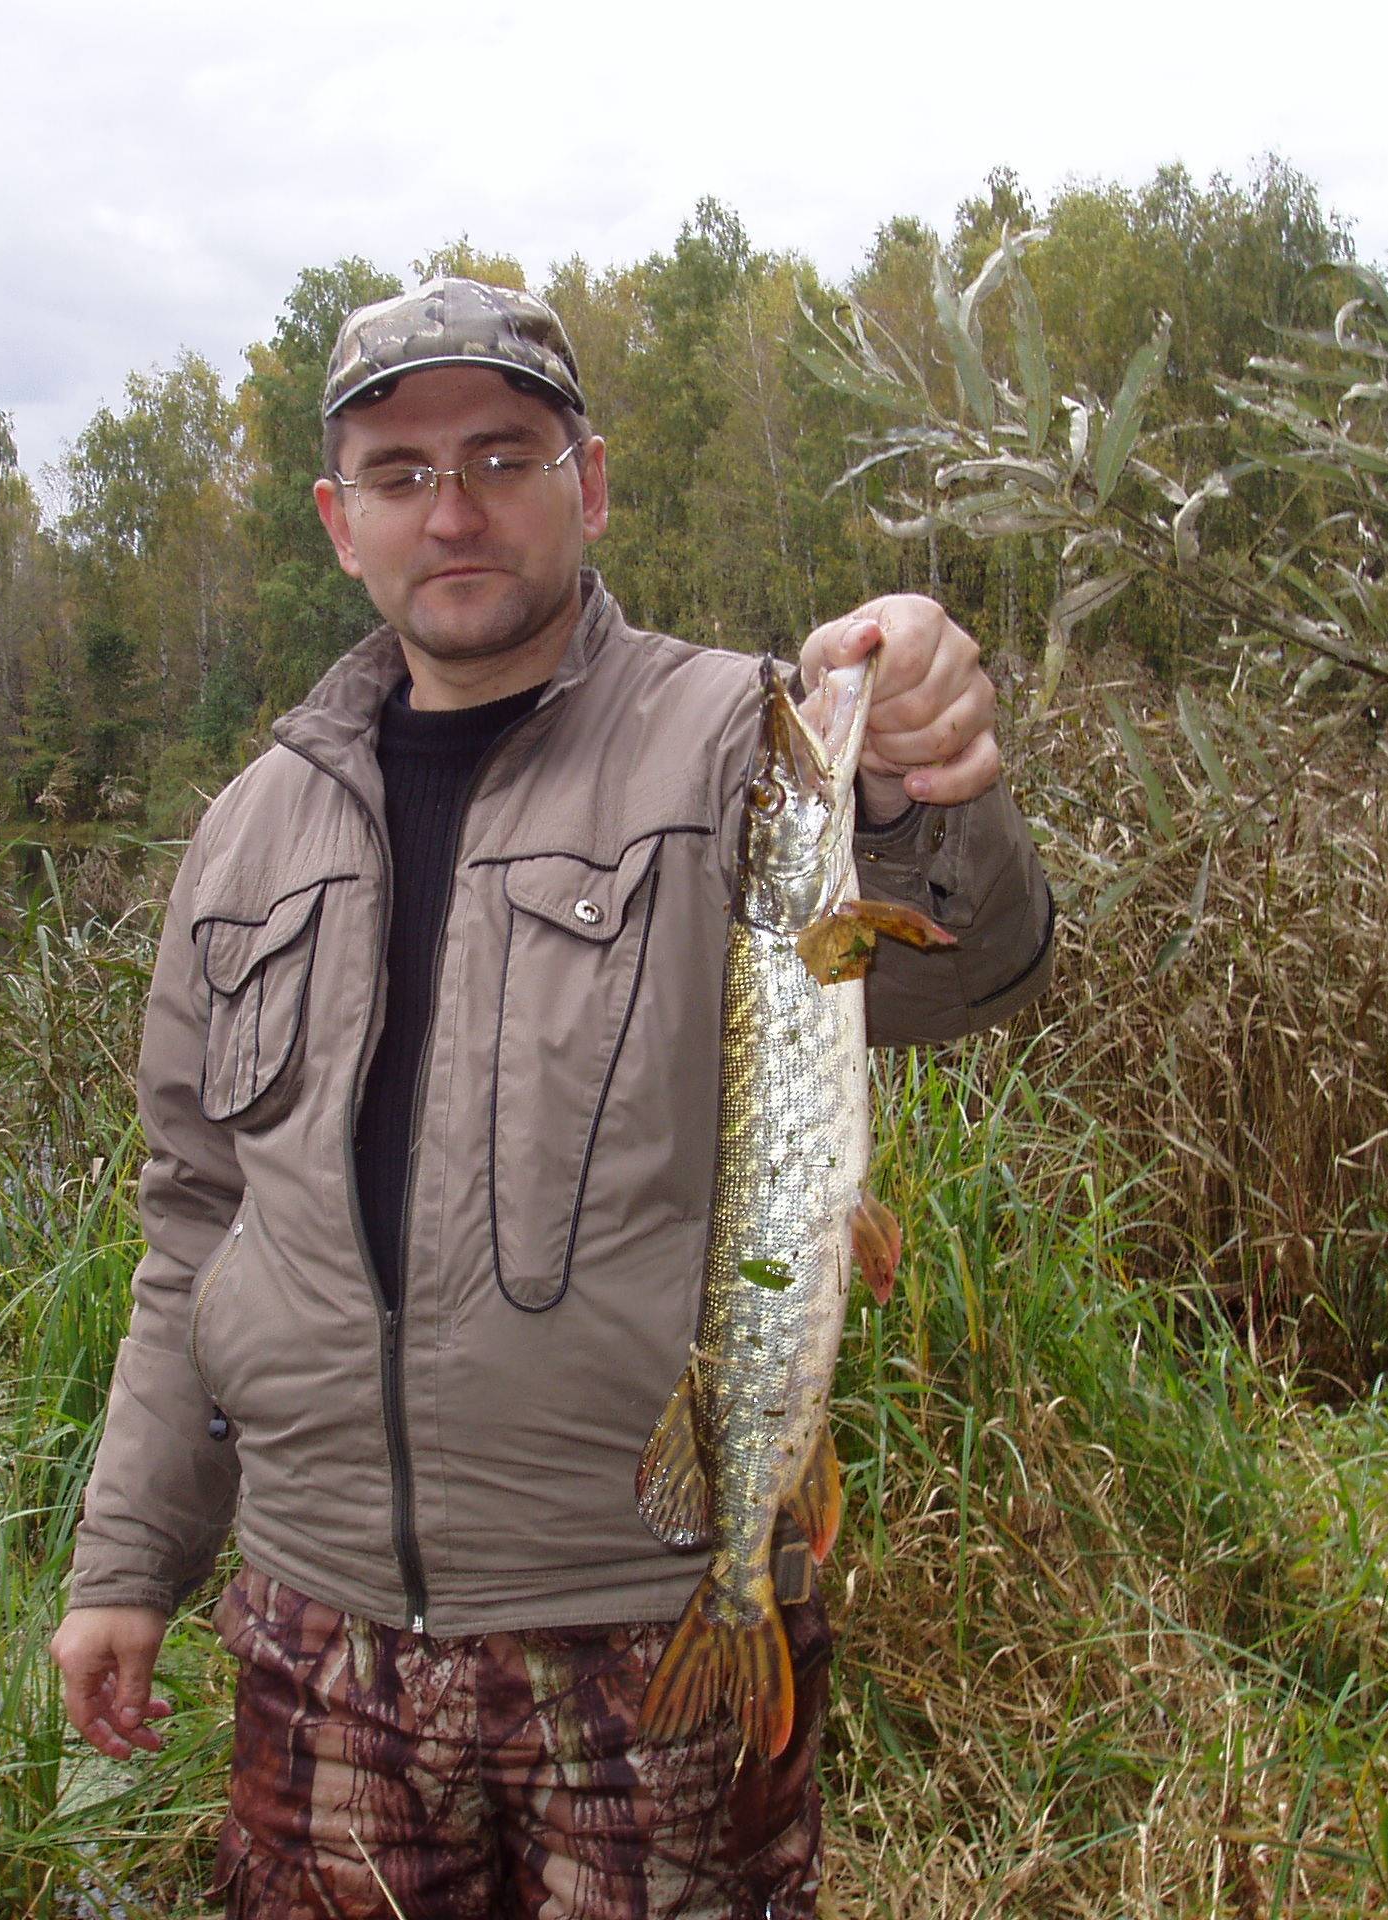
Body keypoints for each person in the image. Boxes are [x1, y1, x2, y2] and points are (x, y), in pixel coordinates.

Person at [51, 277, 1054, 1918]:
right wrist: (129, 1562)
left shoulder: (740, 735)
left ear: (586, 484)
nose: (454, 510)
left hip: (654, 1625)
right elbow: (197, 1233)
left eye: (504, 457)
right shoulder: (250, 828)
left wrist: (916, 770)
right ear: (338, 519)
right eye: (400, 474)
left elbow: (962, 976)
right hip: (321, 1644)